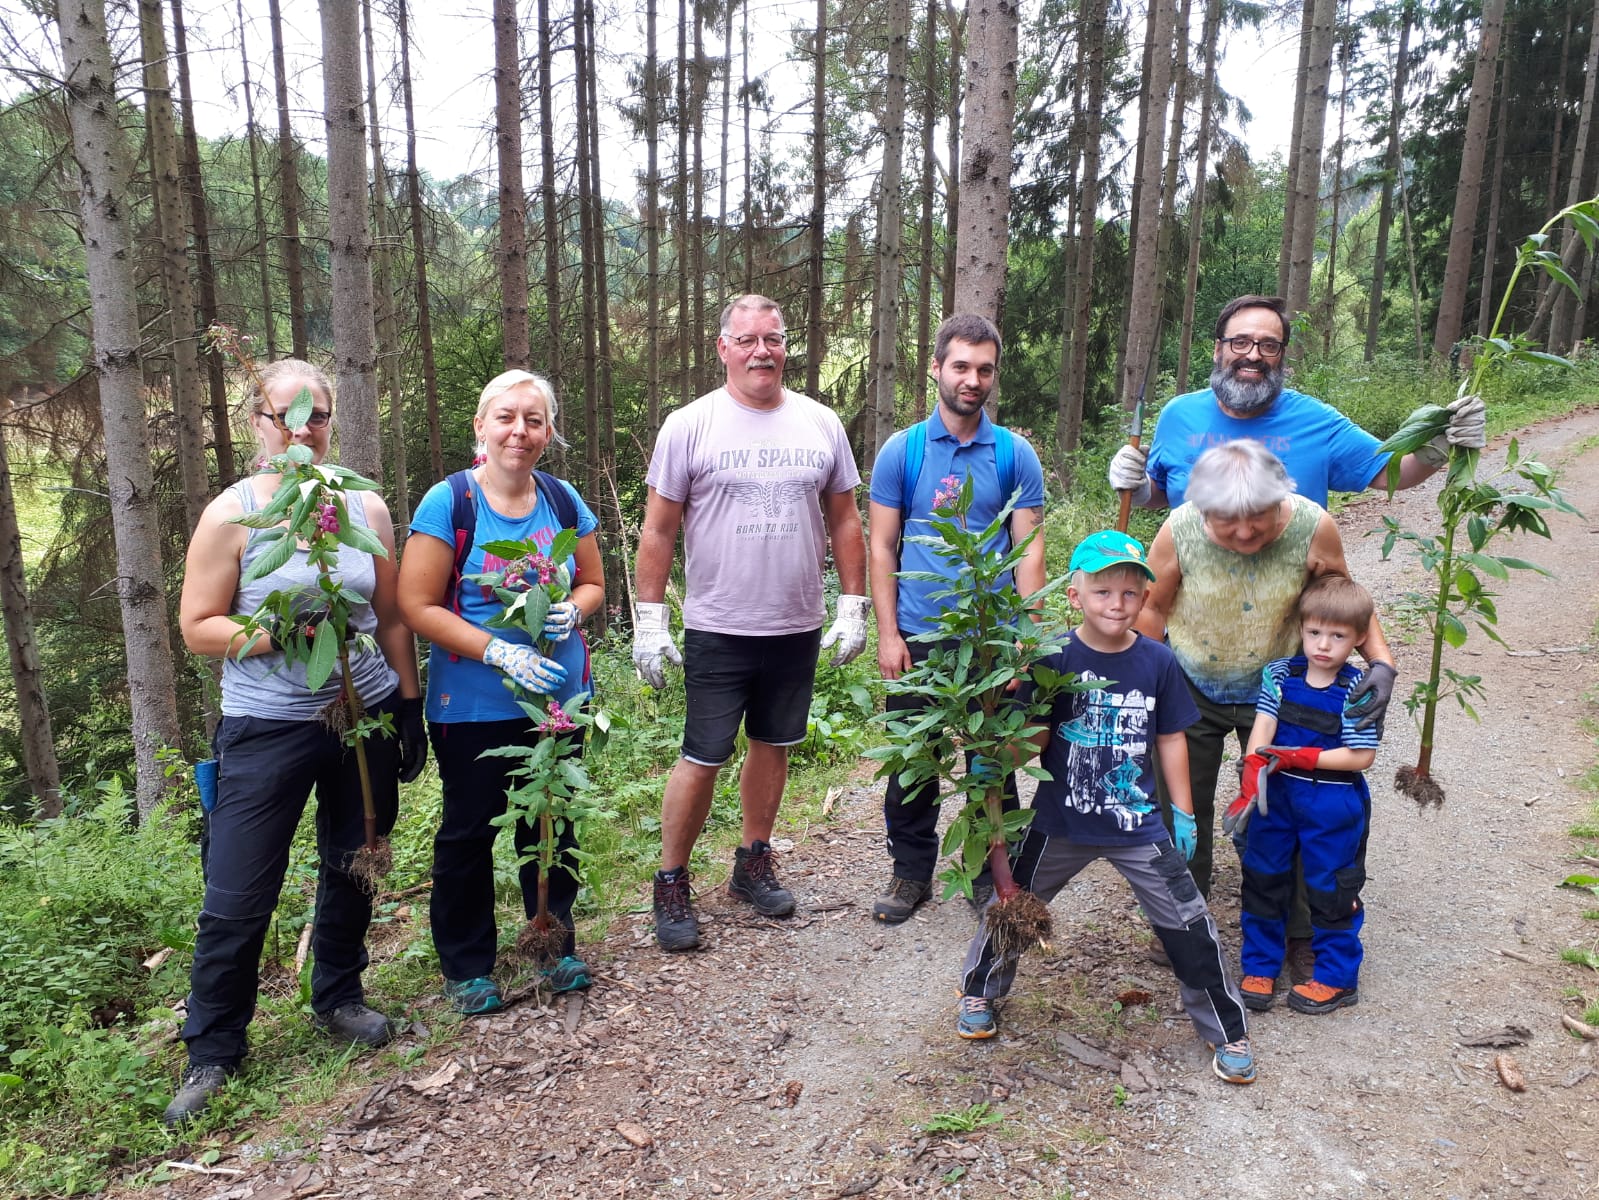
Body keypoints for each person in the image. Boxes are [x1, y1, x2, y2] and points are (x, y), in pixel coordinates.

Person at [166, 359, 425, 1127]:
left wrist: (407, 707)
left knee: (354, 864)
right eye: (288, 415)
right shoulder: (233, 514)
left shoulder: (364, 508)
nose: (304, 428)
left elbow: (390, 615)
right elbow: (197, 626)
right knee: (239, 891)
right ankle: (213, 1049)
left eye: (318, 416)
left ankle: (338, 995)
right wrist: (274, 631)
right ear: (259, 424)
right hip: (265, 727)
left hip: (363, 713)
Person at [956, 531, 1255, 1085]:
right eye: (1102, 592)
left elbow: (1170, 738)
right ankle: (980, 993)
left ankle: (1225, 1028)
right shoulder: (1052, 659)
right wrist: (994, 754)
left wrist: (1183, 813)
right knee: (1012, 907)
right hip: (1059, 822)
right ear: (1075, 597)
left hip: (1139, 824)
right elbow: (1035, 741)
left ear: (1146, 597)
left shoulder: (1158, 662)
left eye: (1128, 592)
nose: (1116, 604)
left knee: (1188, 922)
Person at [633, 294, 868, 952]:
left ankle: (752, 862)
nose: (761, 351)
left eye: (773, 339)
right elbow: (656, 528)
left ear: (785, 346)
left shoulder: (820, 424)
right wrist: (649, 620)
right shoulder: (691, 425)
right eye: (747, 340)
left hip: (795, 623)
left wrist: (854, 605)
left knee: (773, 745)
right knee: (701, 755)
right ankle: (671, 880)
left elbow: (845, 518)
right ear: (723, 347)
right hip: (719, 624)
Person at [1136, 439, 1396, 985]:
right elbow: (1153, 609)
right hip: (1194, 688)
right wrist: (1144, 689)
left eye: (1259, 518)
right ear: (1201, 508)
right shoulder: (1178, 530)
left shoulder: (1311, 526)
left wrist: (1381, 662)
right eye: (1228, 522)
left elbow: (1343, 595)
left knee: (1297, 806)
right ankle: (1184, 919)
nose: (1247, 534)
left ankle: (1301, 931)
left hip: (1287, 693)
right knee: (1181, 808)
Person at [397, 370, 604, 1015]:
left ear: (549, 431)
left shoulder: (563, 502)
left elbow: (593, 583)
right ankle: (467, 966)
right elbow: (414, 604)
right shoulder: (450, 503)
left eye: (535, 420)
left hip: (558, 699)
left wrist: (574, 608)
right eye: (507, 417)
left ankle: (551, 940)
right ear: (481, 428)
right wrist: (495, 647)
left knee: (552, 817)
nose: (521, 431)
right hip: (475, 704)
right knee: (470, 829)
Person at [866, 313, 1045, 923]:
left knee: (992, 759)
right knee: (915, 762)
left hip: (991, 638)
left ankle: (986, 873)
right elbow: (882, 546)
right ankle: (909, 874)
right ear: (936, 368)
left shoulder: (1015, 454)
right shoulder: (904, 451)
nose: (973, 380)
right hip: (920, 637)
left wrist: (1025, 635)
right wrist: (888, 634)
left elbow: (1027, 550)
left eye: (985, 369)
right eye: (961, 366)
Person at [1109, 293, 1487, 512]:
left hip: (1293, 622)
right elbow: (1163, 494)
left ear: (1282, 356)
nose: (1253, 355)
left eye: (1268, 345)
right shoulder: (1179, 415)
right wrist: (1141, 489)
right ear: (1218, 350)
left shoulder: (1317, 421)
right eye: (1240, 342)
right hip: (1193, 613)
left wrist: (1442, 442)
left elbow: (1394, 474)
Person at [1232, 574, 1379, 1016]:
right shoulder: (1279, 674)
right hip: (1274, 795)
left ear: (1356, 640)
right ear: (1301, 628)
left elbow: (1360, 757)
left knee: (1331, 887)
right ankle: (1260, 965)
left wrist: (1303, 757)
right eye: (1314, 632)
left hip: (1332, 802)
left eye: (1337, 636)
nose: (1323, 645)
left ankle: (1335, 977)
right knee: (1263, 877)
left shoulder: (1357, 689)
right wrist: (1253, 765)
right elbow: (1263, 728)